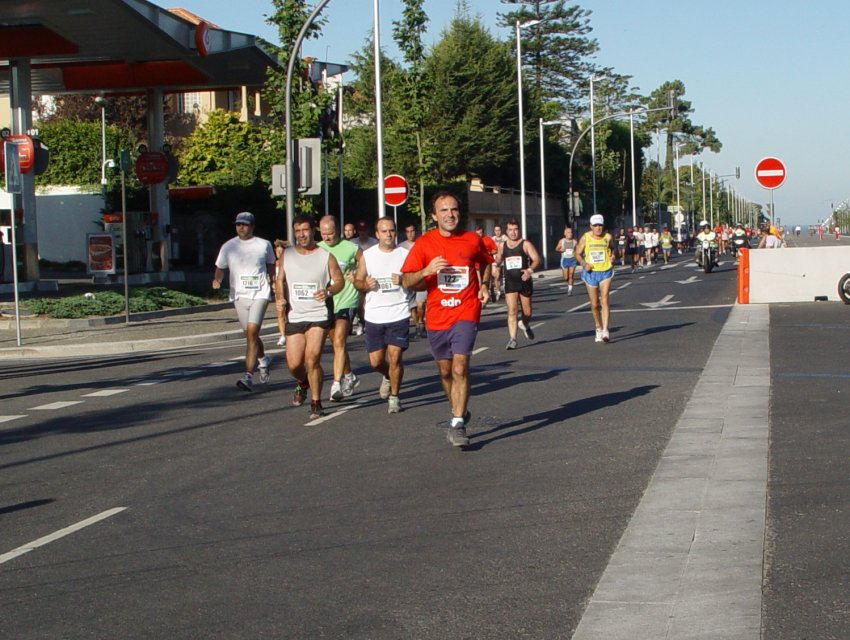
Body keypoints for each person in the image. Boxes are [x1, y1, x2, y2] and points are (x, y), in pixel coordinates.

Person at [401, 191, 493, 448]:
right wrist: (426, 270)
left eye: (453, 210)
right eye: (443, 210)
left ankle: (457, 424)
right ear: (434, 216)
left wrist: (484, 285)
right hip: (437, 315)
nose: (450, 214)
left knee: (460, 366)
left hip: (466, 310)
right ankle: (458, 410)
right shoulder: (424, 244)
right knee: (445, 370)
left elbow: (485, 262)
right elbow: (406, 280)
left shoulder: (472, 240)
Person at [276, 214, 345, 419]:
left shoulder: (325, 255)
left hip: (318, 314)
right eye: (297, 231)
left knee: (312, 357)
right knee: (294, 364)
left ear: (313, 231)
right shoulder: (286, 255)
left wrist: (329, 291)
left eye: (305, 230)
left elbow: (339, 280)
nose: (301, 235)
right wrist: (279, 297)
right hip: (296, 315)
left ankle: (316, 402)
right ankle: (303, 381)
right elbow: (279, 279)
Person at [213, 212, 276, 392]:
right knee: (251, 335)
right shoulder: (228, 246)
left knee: (253, 333)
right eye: (238, 224)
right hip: (239, 295)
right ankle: (263, 359)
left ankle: (248, 375)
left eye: (245, 225)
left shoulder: (264, 244)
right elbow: (220, 267)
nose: (241, 227)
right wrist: (217, 280)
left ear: (252, 227)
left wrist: (273, 281)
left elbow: (271, 263)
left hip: (260, 293)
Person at [354, 217, 411, 414]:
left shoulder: (405, 254)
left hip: (399, 311)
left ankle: (394, 397)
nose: (389, 234)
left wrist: (404, 279)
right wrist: (365, 285)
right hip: (374, 315)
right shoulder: (368, 256)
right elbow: (357, 283)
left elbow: (416, 279)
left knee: (395, 357)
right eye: (384, 231)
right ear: (377, 234)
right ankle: (389, 376)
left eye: (392, 231)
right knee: (376, 361)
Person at [318, 215, 363, 402]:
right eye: (323, 234)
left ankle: (336, 383)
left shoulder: (351, 248)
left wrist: (358, 276)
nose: (327, 237)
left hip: (347, 298)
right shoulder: (318, 249)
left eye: (331, 233)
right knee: (337, 345)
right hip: (327, 302)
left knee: (339, 340)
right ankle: (350, 375)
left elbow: (366, 262)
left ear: (339, 231)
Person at [500, 219, 542, 349]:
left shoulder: (525, 244)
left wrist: (529, 270)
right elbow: (498, 259)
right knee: (512, 310)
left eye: (515, 229)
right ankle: (512, 339)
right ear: (506, 231)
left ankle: (525, 325)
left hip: (524, 281)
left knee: (527, 312)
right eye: (510, 230)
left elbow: (537, 259)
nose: (513, 232)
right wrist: (493, 264)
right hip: (510, 282)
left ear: (519, 230)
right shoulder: (502, 245)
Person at [575, 214, 614, 343]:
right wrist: (583, 264)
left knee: (605, 299)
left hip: (605, 271)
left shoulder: (607, 237)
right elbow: (577, 253)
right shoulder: (585, 238)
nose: (598, 228)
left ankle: (605, 330)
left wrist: (613, 256)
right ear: (591, 226)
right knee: (595, 303)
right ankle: (598, 326)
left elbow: (613, 250)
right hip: (591, 273)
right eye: (595, 225)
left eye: (600, 225)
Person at [399, 222, 427, 338]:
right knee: (412, 306)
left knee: (420, 304)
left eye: (412, 231)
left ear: (416, 232)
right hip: (408, 278)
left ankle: (421, 321)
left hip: (420, 278)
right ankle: (417, 326)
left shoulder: (422, 244)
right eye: (408, 232)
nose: (410, 234)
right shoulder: (401, 247)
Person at [272, 239, 289, 347]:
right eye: (278, 251)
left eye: (281, 251)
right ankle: (282, 335)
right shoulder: (274, 263)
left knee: (289, 313)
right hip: (278, 291)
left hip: (288, 290)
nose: (279, 253)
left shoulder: (288, 262)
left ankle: (291, 333)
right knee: (280, 313)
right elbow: (271, 276)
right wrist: (273, 284)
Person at [555, 227, 577, 295]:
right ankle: (568, 282)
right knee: (566, 277)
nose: (570, 234)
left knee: (571, 274)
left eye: (571, 232)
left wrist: (576, 254)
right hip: (564, 259)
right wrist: (560, 249)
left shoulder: (574, 241)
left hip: (572, 259)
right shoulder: (562, 241)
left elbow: (578, 249)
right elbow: (556, 249)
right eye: (568, 232)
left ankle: (570, 289)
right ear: (565, 234)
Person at [490, 224, 508, 301]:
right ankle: (498, 292)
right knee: (497, 276)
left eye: (499, 230)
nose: (497, 232)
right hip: (496, 260)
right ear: (494, 231)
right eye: (496, 230)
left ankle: (506, 291)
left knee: (505, 276)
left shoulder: (505, 238)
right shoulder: (492, 239)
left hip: (504, 260)